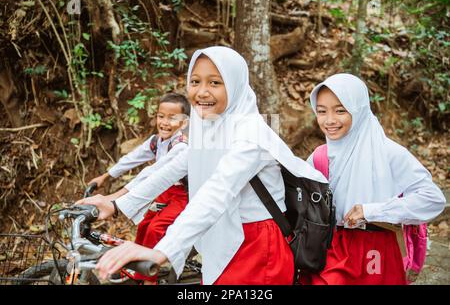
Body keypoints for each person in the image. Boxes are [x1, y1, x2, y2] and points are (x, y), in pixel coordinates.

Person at [77, 46, 327, 285]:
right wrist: (118, 204)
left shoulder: (252, 132)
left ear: (235, 84)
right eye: (195, 81)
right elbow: (175, 165)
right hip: (223, 235)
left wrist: (162, 250)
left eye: (215, 83)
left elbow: (217, 191)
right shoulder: (210, 121)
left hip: (258, 248)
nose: (202, 92)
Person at [301, 73, 446, 285]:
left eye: (340, 111)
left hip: (377, 250)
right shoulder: (319, 157)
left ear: (358, 110)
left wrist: (371, 211)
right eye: (321, 112)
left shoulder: (388, 153)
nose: (329, 120)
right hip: (331, 248)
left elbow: (433, 199)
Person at [87, 92, 190, 284]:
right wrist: (106, 176)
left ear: (183, 123)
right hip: (164, 191)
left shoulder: (181, 146)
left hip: (183, 195)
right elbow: (132, 158)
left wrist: (115, 198)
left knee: (155, 228)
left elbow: (152, 173)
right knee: (144, 224)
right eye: (161, 116)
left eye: (172, 118)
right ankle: (139, 266)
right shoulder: (156, 141)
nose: (165, 122)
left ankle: (148, 277)